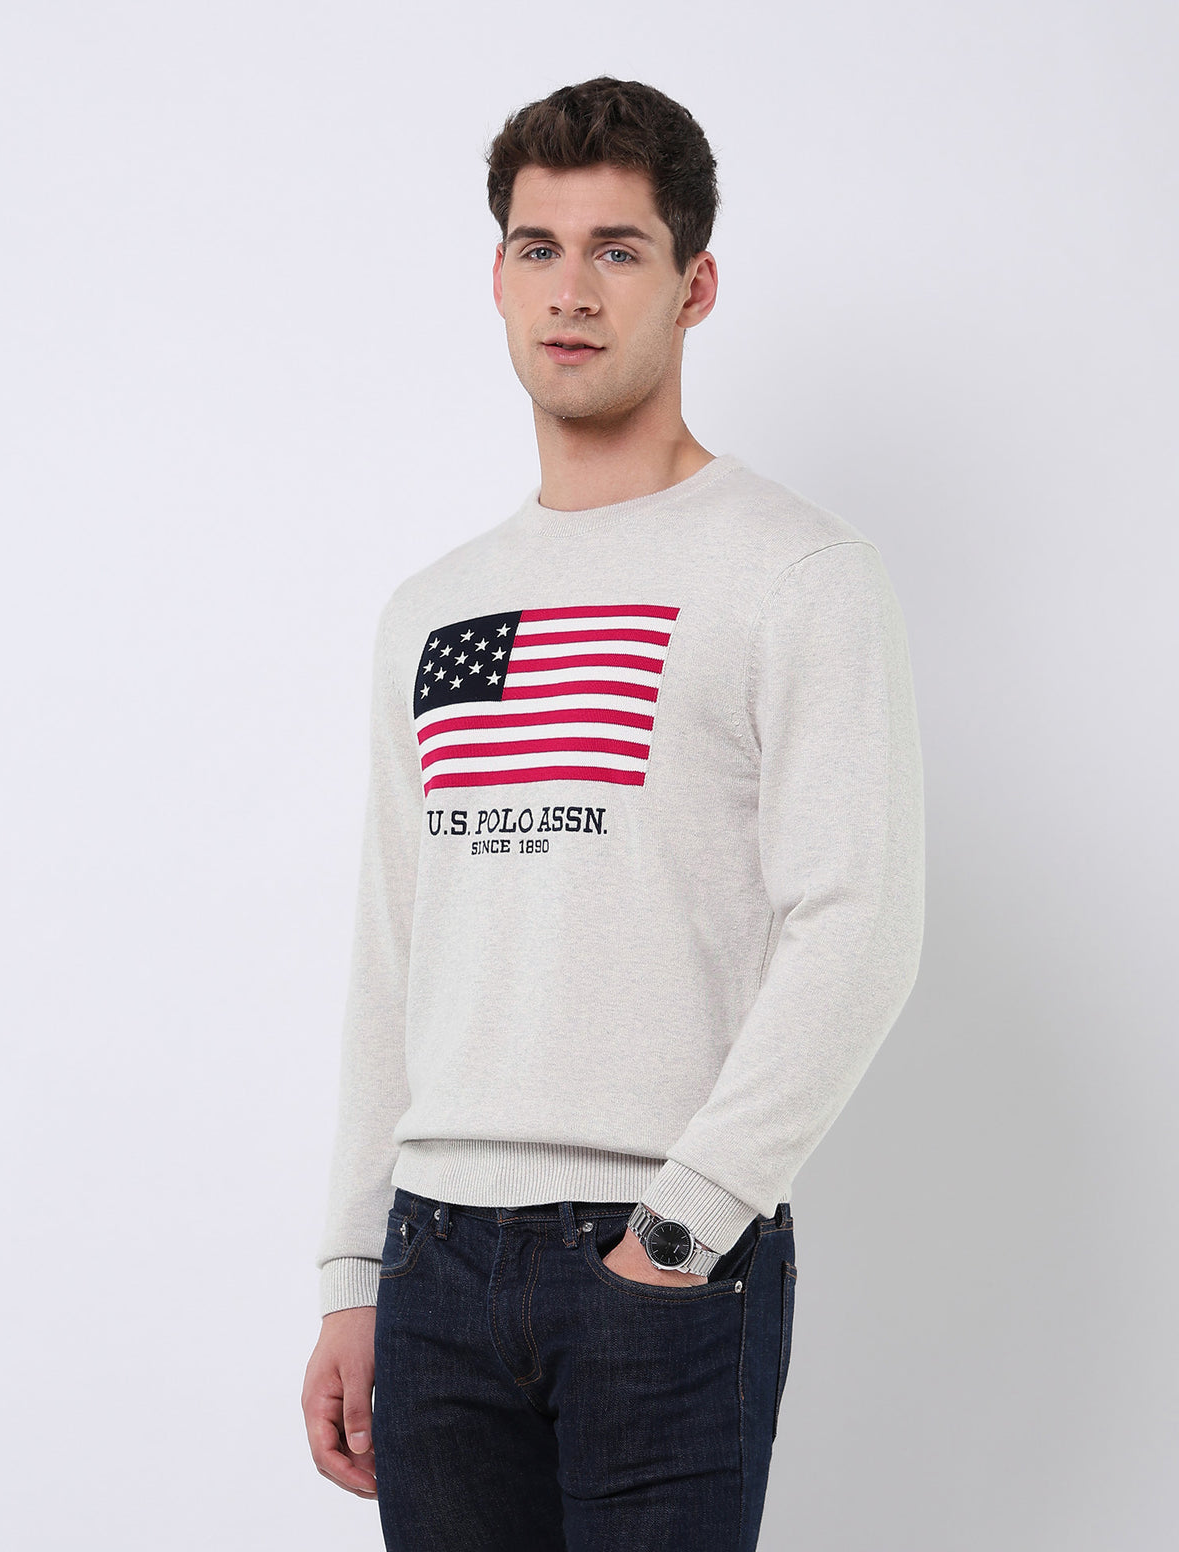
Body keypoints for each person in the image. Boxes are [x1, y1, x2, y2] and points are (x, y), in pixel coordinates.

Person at [301, 75, 925, 1551]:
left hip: (658, 1262)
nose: (571, 292)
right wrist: (351, 1273)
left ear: (694, 285)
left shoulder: (795, 574)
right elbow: (395, 948)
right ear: (498, 275)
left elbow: (858, 924)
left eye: (618, 250)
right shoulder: (434, 608)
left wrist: (685, 1225)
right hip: (432, 1264)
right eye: (540, 247)